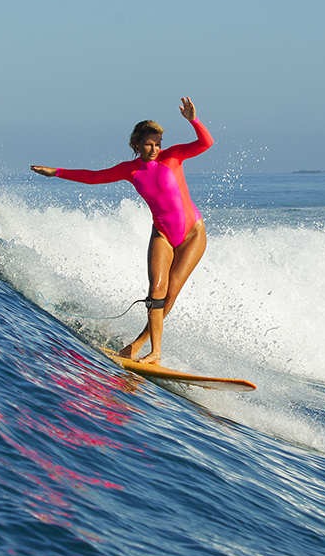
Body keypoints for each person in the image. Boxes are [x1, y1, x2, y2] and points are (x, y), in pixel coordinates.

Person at [31, 97, 213, 365]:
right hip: (162, 234)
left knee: (171, 293)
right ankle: (152, 351)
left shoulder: (173, 157)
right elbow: (93, 177)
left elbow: (206, 143)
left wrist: (193, 120)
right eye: (149, 143)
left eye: (157, 143)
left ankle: (144, 347)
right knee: (156, 291)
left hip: (192, 234)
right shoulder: (130, 170)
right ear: (136, 144)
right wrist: (56, 172)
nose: (154, 148)